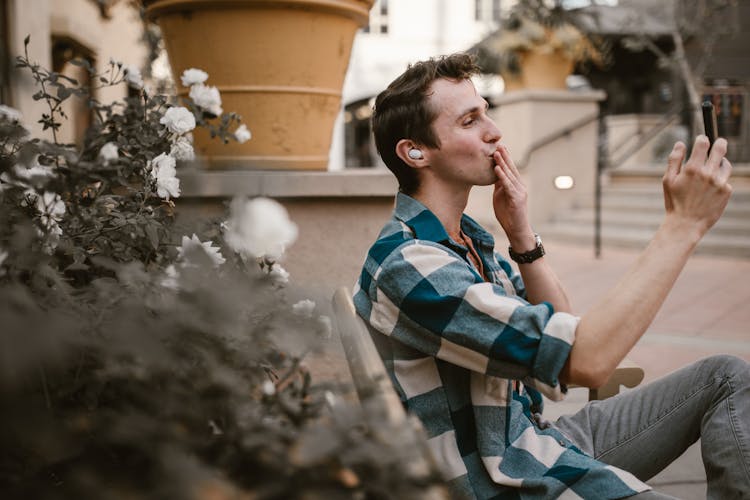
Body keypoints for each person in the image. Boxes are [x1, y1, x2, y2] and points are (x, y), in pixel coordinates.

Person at [352, 53, 749, 499]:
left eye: (486, 111)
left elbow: (567, 347)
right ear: (415, 151)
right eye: (469, 121)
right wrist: (683, 227)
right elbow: (588, 359)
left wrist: (521, 236)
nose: (494, 131)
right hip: (504, 476)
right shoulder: (410, 265)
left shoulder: (466, 242)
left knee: (727, 376)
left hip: (534, 440)